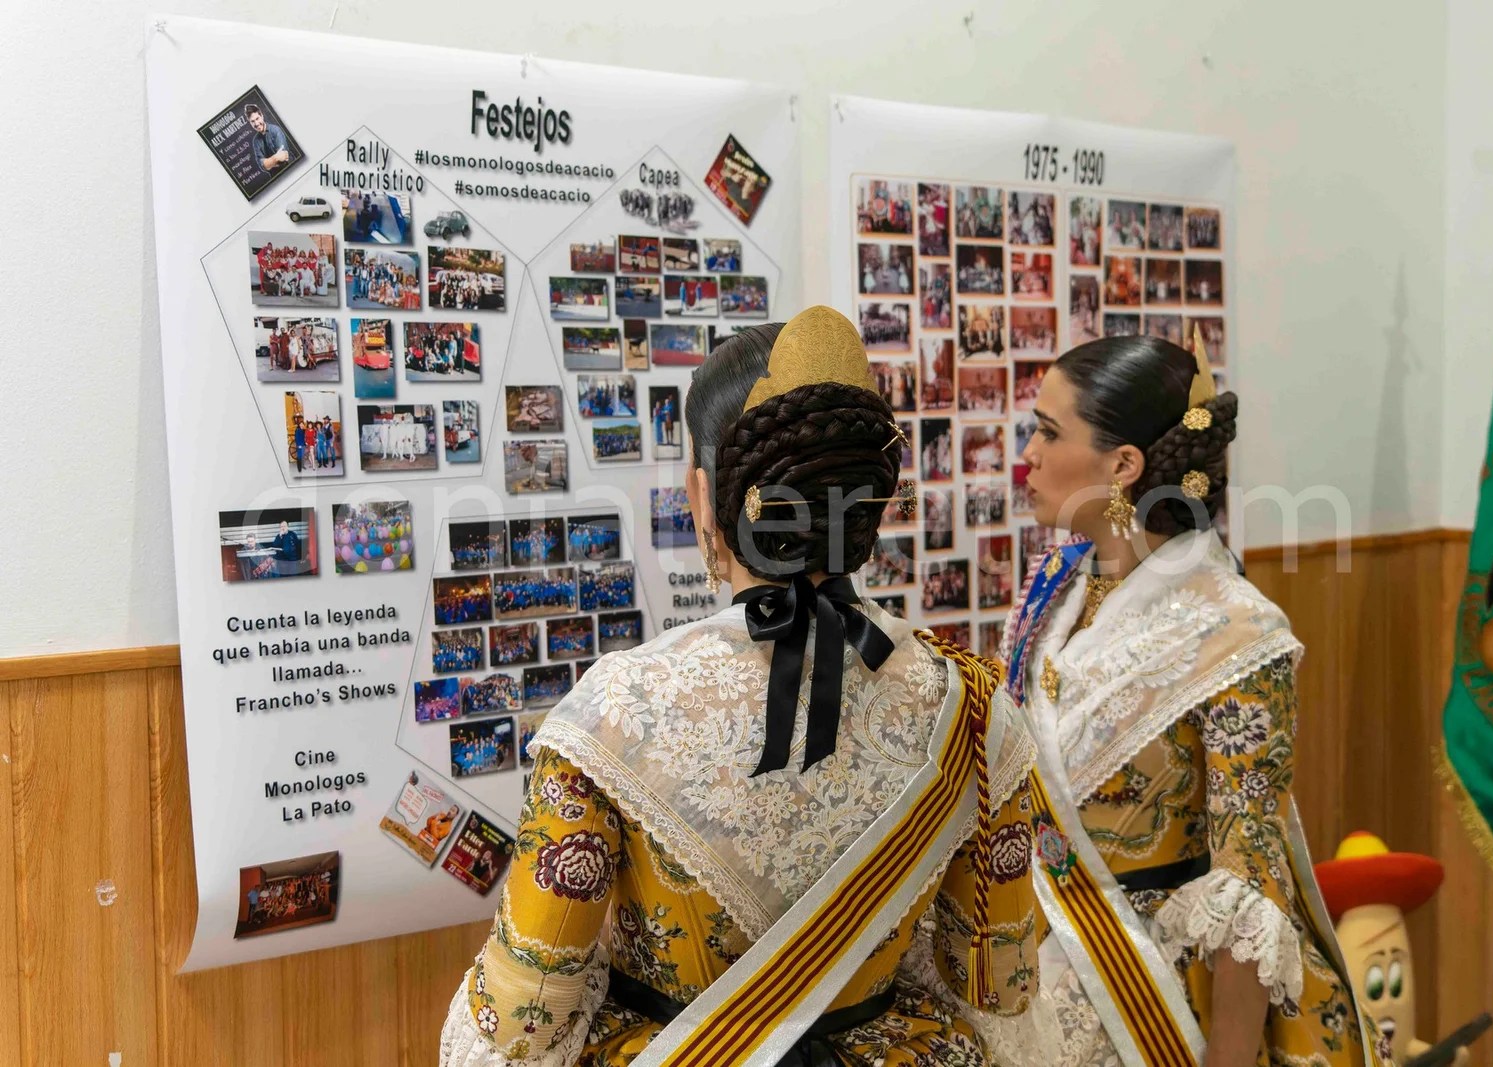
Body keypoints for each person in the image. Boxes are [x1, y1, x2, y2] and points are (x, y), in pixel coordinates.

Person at [442, 307, 1040, 1066]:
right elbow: (999, 980)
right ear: (866, 507)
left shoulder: (615, 710)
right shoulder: (973, 704)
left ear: (702, 499)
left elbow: (524, 1013)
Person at [1002, 334, 1386, 1067]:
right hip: (1037, 974)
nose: (1028, 453)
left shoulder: (1238, 628)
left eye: (1049, 431)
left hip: (1155, 1000)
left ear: (1123, 465)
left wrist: (1232, 1055)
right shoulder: (1056, 588)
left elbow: (1252, 875)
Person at [247, 104, 290, 176]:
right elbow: (262, 167)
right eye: (252, 121)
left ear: (262, 116)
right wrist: (275, 158)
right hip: (275, 178)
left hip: (289, 169)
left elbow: (282, 159)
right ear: (250, 123)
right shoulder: (255, 141)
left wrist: (268, 163)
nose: (256, 123)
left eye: (257, 119)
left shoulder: (275, 130)